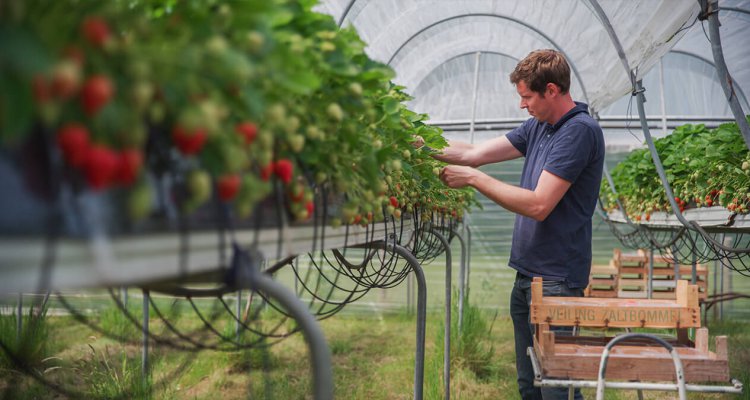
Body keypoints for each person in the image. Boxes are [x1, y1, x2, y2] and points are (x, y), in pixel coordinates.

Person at [416, 49, 604, 400]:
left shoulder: (578, 132)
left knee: (555, 388)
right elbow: (473, 153)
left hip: (557, 281)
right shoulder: (539, 126)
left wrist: (474, 179)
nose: (522, 105)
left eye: (526, 97)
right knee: (531, 385)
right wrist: (423, 145)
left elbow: (538, 204)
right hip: (528, 276)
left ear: (551, 90)